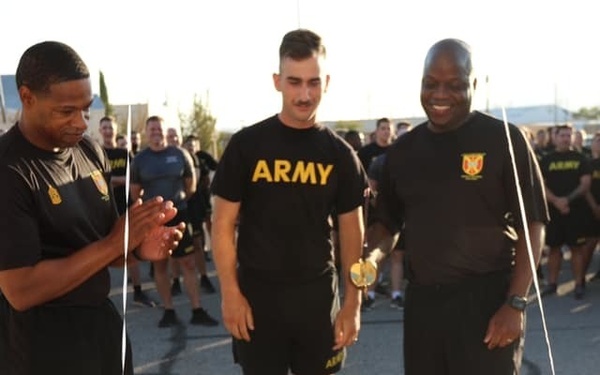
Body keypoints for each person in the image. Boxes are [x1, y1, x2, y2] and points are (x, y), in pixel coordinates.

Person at [366, 38, 548, 375]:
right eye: (430, 83)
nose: (440, 95)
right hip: (423, 305)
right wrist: (371, 259)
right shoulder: (402, 152)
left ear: (474, 84)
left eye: (455, 85)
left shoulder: (504, 139)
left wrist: (516, 303)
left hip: (488, 301)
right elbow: (387, 224)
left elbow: (533, 224)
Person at [0, 41, 183, 375]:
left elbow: (105, 246)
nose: (82, 122)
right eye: (66, 111)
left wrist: (139, 248)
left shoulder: (91, 152)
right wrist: (115, 243)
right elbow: (20, 290)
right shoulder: (9, 169)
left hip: (102, 334)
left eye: (85, 109)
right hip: (39, 349)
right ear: (27, 98)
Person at [211, 28, 366, 375]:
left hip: (317, 300)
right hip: (258, 298)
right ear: (277, 81)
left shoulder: (341, 155)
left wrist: (353, 302)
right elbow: (221, 225)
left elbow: (353, 237)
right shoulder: (246, 146)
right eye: (294, 82)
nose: (304, 94)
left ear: (326, 82)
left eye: (313, 82)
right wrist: (230, 293)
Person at [131, 116, 219, 328]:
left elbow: (191, 185)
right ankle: (168, 310)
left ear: (164, 131)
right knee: (160, 265)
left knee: (188, 263)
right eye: (152, 129)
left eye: (159, 129)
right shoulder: (140, 160)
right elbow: (135, 193)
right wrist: (155, 211)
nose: (156, 133)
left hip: (180, 214)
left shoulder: (179, 154)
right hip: (156, 220)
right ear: (146, 132)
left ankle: (197, 309)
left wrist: (176, 205)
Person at [99, 116, 157, 307]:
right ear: (100, 131)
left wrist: (112, 180)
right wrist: (118, 180)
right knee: (99, 251)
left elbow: (132, 180)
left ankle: (138, 291)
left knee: (130, 249)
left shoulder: (125, 154)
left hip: (125, 206)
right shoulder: (95, 153)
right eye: (104, 127)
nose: (107, 131)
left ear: (116, 130)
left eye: (110, 128)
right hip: (102, 207)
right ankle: (99, 294)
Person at [539, 124, 591, 299]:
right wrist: (555, 201)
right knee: (554, 249)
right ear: (555, 137)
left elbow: (585, 184)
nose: (566, 138)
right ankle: (552, 283)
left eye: (569, 135)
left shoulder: (580, 158)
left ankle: (579, 284)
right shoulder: (546, 160)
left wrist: (566, 200)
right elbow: (540, 185)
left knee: (577, 249)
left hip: (575, 211)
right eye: (562, 135)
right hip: (553, 212)